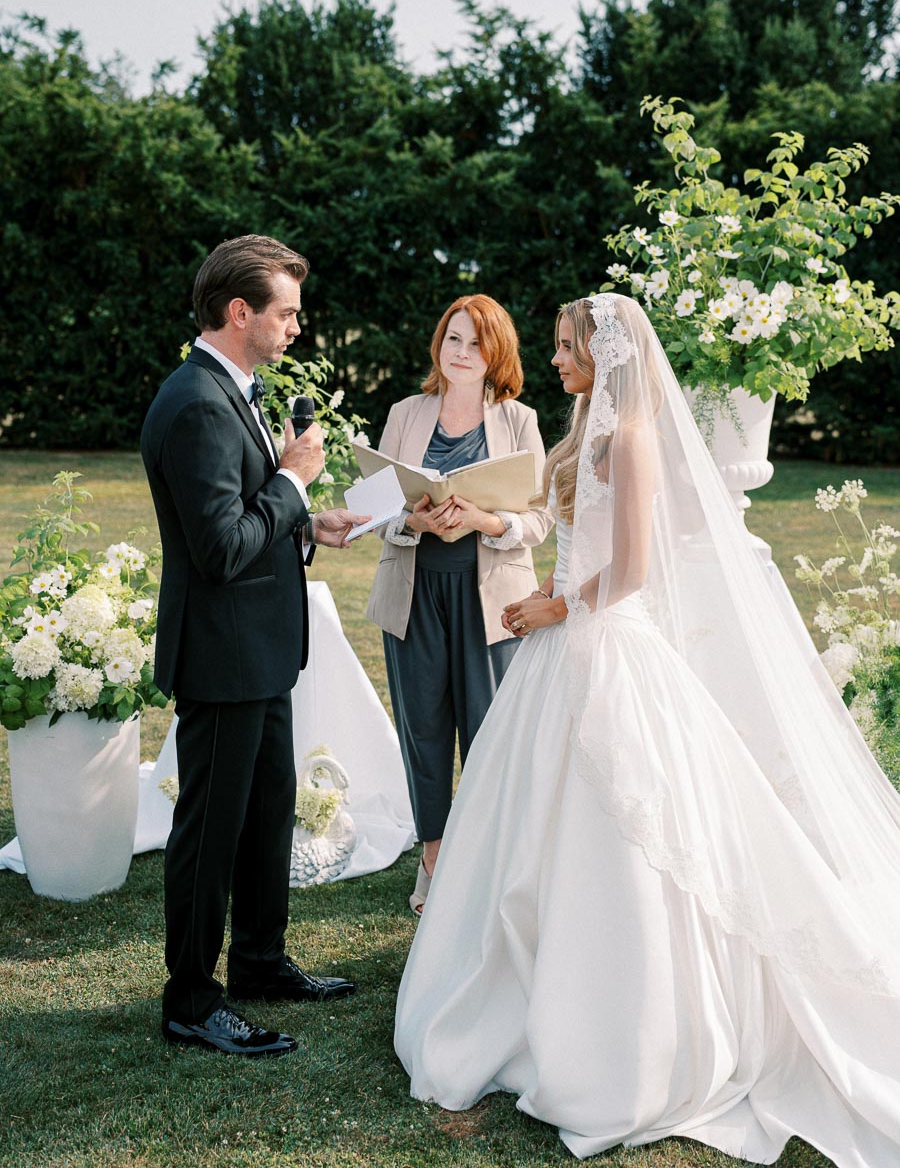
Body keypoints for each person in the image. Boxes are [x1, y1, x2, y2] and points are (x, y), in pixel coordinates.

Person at [395, 293, 900, 1163]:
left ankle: (623, 1028)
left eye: (565, 347)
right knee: (526, 824)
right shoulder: (591, 429)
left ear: (608, 353)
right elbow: (574, 530)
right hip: (561, 648)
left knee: (626, 835)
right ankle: (524, 985)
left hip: (603, 648)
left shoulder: (628, 440)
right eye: (554, 347)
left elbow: (630, 569)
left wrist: (559, 602)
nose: (554, 360)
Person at [141, 234, 368, 1059]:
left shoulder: (231, 388)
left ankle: (261, 962)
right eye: (287, 313)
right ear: (240, 314)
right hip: (224, 656)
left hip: (262, 652)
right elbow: (221, 547)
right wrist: (296, 481)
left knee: (269, 813)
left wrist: (309, 519)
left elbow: (250, 513)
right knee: (211, 833)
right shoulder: (198, 401)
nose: (296, 328)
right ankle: (192, 1001)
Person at [367, 294, 553, 915]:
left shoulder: (520, 421)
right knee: (421, 730)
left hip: (492, 600)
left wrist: (488, 519)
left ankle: (485, 861)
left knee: (487, 733)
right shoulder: (405, 413)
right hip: (414, 594)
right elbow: (375, 509)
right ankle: (433, 859)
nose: (462, 353)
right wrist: (412, 523)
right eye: (453, 339)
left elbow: (542, 518)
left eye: (476, 343)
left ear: (496, 352)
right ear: (439, 346)